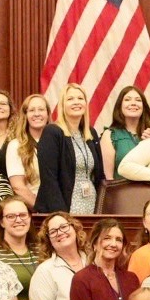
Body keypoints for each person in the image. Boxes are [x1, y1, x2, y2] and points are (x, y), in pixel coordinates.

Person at [36, 82, 104, 215]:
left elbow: (99, 174)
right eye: (70, 99)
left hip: (90, 205)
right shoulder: (52, 132)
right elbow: (49, 179)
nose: (76, 102)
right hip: (62, 207)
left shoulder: (91, 133)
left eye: (80, 98)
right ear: (62, 105)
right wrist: (61, 215)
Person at [7, 93, 53, 207]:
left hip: (58, 208)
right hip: (32, 209)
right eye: (32, 110)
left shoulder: (58, 143)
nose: (37, 114)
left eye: (41, 109)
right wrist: (40, 208)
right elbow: (18, 187)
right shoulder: (15, 145)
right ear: (25, 115)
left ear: (47, 114)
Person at [0, 197, 39, 299]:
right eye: (11, 216)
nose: (18, 220)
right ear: (1, 222)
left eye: (23, 215)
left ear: (30, 218)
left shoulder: (42, 250)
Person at [102, 85, 150, 180]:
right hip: (121, 193)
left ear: (143, 107)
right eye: (127, 99)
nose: (133, 103)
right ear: (120, 106)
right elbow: (107, 177)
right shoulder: (110, 135)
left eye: (138, 100)